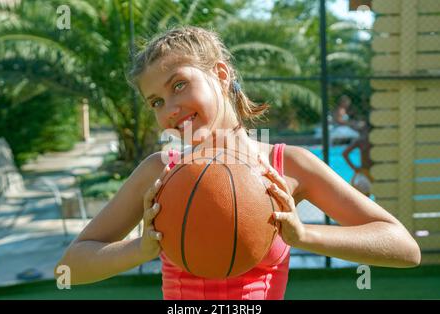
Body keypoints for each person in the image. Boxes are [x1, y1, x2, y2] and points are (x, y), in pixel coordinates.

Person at [55, 26, 420, 300]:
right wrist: (141, 249)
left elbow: (404, 248)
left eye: (179, 85)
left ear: (221, 74)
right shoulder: (160, 171)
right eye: (155, 102)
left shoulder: (288, 165)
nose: (169, 109)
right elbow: (69, 269)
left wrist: (305, 235)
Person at [342, 120, 374, 197]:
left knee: (362, 199)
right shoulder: (363, 140)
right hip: (369, 172)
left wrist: (354, 168)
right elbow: (345, 153)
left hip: (365, 172)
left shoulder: (361, 140)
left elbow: (345, 153)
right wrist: (354, 168)